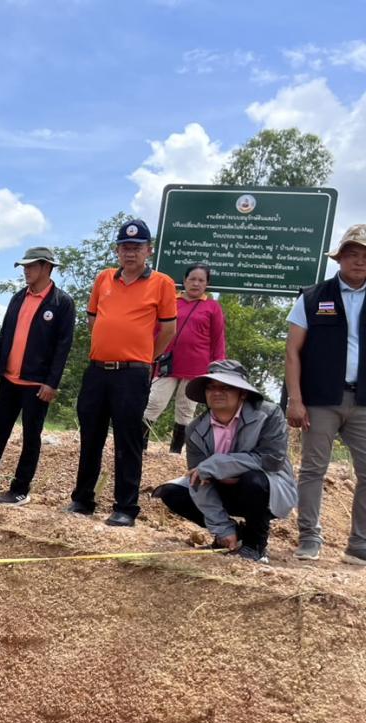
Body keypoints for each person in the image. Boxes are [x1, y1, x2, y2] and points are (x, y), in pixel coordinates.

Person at [285, 224, 366, 570]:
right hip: (320, 399)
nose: (360, 260)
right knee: (312, 469)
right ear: (340, 257)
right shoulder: (311, 296)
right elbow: (293, 351)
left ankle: (361, 545)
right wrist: (295, 398)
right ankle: (309, 538)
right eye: (354, 254)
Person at [68, 219, 177, 526]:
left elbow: (168, 329)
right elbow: (93, 320)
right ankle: (82, 499)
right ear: (117, 250)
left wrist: (145, 357)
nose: (130, 253)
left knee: (127, 440)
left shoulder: (162, 283)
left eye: (137, 247)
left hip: (133, 373)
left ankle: (125, 507)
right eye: (125, 247)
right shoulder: (103, 279)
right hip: (98, 369)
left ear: (148, 251)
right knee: (91, 436)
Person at [153, 360, 297, 563]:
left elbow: (271, 460)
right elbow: (199, 478)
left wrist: (217, 465)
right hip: (220, 490)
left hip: (266, 490)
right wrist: (222, 528)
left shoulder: (269, 414)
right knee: (172, 492)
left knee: (252, 480)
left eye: (225, 387)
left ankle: (255, 545)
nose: (216, 392)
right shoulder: (195, 428)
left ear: (243, 393)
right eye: (211, 387)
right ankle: (235, 535)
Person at [0, 247, 75, 506]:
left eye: (31, 266)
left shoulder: (62, 303)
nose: (26, 271)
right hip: (9, 379)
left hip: (37, 384)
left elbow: (63, 346)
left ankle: (20, 488)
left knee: (30, 436)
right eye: (24, 267)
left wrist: (52, 382)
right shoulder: (18, 298)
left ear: (47, 267)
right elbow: (4, 334)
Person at [143, 263, 226, 454]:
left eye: (201, 280)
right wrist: (150, 356)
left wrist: (218, 367)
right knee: (154, 402)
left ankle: (175, 451)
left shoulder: (212, 307)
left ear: (207, 284)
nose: (196, 284)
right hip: (167, 364)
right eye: (192, 279)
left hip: (197, 367)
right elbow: (156, 330)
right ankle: (140, 446)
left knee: (186, 408)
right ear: (185, 280)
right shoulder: (171, 301)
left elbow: (218, 339)